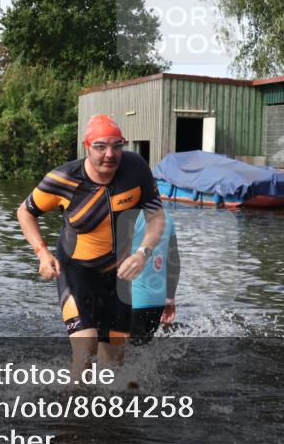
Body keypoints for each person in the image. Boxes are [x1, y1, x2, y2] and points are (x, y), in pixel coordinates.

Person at [17, 114, 165, 375]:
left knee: (113, 367)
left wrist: (142, 254)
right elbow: (25, 212)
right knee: (85, 352)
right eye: (101, 146)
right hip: (76, 273)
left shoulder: (136, 169)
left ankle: (106, 416)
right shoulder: (63, 179)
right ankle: (75, 412)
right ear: (87, 147)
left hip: (118, 278)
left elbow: (156, 218)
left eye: (117, 146)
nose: (110, 154)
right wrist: (41, 253)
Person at [130, 205, 179, 343]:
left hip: (130, 301)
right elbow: (174, 261)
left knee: (120, 356)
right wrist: (170, 298)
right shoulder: (166, 216)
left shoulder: (127, 215)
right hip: (157, 302)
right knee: (144, 352)